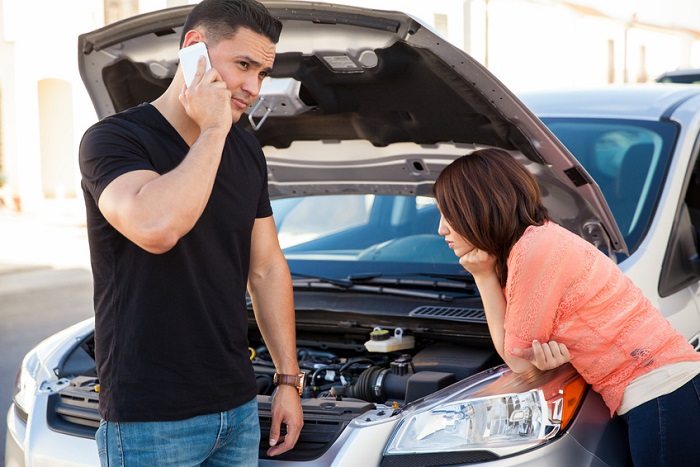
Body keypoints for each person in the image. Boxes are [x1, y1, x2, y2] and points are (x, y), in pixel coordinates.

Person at [78, 1, 303, 465]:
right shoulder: (115, 140)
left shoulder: (245, 148)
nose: (253, 87)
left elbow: (265, 268)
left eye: (263, 72)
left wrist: (287, 380)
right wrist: (215, 128)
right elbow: (157, 228)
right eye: (243, 65)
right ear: (194, 49)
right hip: (150, 419)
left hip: (238, 409)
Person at [434, 148, 700, 467]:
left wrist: (482, 276)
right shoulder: (536, 241)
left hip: (661, 392)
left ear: (476, 207)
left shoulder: (534, 251)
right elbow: (528, 351)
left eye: (446, 214)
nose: (441, 229)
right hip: (661, 394)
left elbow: (517, 358)